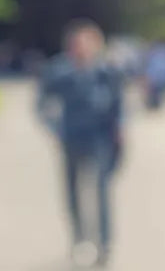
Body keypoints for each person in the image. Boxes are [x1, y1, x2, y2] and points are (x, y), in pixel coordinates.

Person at [38, 19, 125, 267]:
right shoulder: (59, 72)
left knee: (101, 193)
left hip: (100, 141)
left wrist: (119, 131)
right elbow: (42, 104)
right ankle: (79, 240)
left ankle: (104, 244)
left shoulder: (107, 73)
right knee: (73, 193)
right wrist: (54, 129)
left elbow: (119, 106)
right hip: (71, 139)